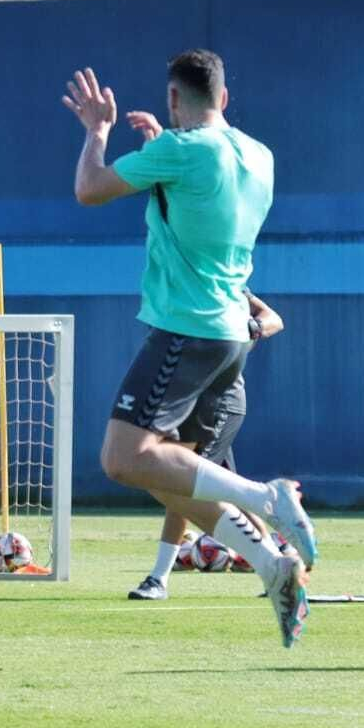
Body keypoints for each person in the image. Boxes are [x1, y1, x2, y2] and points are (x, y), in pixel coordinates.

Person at [63, 50, 315, 648]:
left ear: (175, 99)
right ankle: (272, 565)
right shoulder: (259, 155)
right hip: (232, 335)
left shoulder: (178, 152)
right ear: (225, 98)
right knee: (170, 475)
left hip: (187, 329)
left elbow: (90, 189)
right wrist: (160, 148)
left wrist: (98, 133)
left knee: (121, 459)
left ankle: (265, 496)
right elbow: (199, 197)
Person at [128, 288, 288, 601]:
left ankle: (158, 578)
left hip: (219, 402)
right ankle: (279, 564)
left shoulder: (224, 287)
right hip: (187, 401)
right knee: (224, 491)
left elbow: (274, 319)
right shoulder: (174, 285)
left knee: (183, 484)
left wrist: (250, 330)